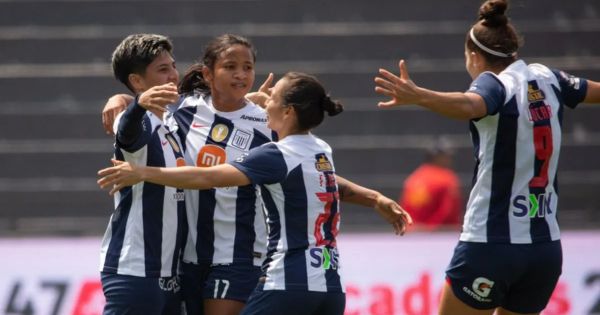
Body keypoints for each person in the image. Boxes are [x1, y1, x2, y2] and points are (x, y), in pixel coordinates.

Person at [98, 71, 413, 315]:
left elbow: (207, 177)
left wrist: (142, 172)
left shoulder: (275, 154)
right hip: (330, 286)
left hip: (287, 284)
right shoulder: (321, 151)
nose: (263, 103)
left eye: (271, 99)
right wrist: (376, 198)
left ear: (288, 112)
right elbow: (334, 186)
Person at [374, 0, 600, 314]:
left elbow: (471, 105)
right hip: (545, 249)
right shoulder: (549, 78)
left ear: (474, 56)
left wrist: (419, 96)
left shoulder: (494, 83)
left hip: (491, 243)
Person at [99, 33, 187, 315]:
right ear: (137, 82)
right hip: (135, 270)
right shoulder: (136, 119)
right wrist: (136, 105)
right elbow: (127, 133)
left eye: (173, 66)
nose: (173, 75)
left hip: (171, 272)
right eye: (163, 70)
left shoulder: (172, 122)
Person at [399, 139, 462, 231]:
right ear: (438, 158)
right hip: (440, 235)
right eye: (447, 156)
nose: (450, 159)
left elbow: (403, 209)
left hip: (412, 233)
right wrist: (430, 229)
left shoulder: (413, 177)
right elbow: (448, 211)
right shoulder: (447, 178)